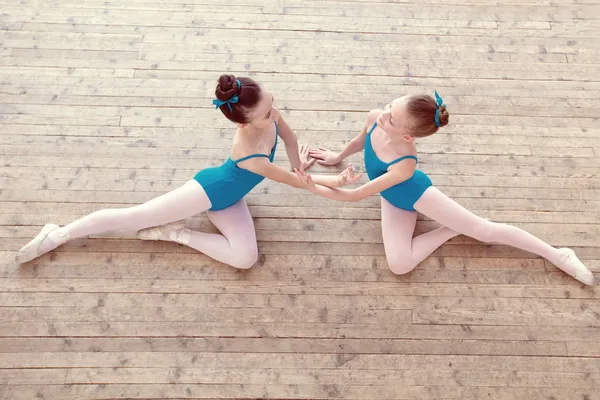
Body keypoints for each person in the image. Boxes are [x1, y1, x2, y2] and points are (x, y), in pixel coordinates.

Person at [15, 74, 359, 269]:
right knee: (135, 217)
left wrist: (300, 164)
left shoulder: (270, 116)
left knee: (245, 259)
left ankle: (175, 235)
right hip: (211, 190)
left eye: (273, 103)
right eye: (268, 112)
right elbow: (292, 183)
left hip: (231, 200)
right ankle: (58, 234)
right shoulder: (249, 152)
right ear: (244, 121)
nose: (276, 112)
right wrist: (334, 181)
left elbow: (290, 139)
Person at [296, 92, 594, 285]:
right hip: (391, 199)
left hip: (413, 194)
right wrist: (337, 156)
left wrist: (312, 184)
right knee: (399, 265)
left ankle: (558, 255)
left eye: (391, 117)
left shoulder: (405, 164)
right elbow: (361, 140)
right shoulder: (376, 117)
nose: (383, 114)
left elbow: (355, 194)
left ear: (408, 136)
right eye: (389, 106)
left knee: (485, 232)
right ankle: (451, 229)